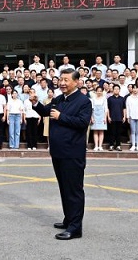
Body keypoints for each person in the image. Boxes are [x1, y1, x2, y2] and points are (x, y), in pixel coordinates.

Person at [30, 69, 92, 240]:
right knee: (64, 188)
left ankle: (75, 228)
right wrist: (36, 104)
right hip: (58, 152)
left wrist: (60, 116)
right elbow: (46, 112)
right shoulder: (58, 98)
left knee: (74, 190)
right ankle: (68, 219)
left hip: (72, 153)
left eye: (66, 80)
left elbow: (82, 123)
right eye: (60, 80)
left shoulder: (84, 101)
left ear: (76, 82)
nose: (62, 83)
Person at [126, 84, 138, 151]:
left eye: (136, 88)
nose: (135, 90)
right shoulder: (129, 98)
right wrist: (128, 117)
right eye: (133, 88)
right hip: (132, 116)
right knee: (132, 131)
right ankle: (133, 145)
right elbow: (127, 108)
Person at [106, 85, 126, 151]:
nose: (116, 90)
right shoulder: (110, 99)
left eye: (117, 89)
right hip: (112, 118)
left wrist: (124, 116)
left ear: (119, 90)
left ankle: (118, 145)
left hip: (120, 118)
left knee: (118, 132)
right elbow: (108, 109)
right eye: (115, 89)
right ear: (113, 90)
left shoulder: (122, 99)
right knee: (112, 132)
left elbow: (124, 108)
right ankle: (111, 145)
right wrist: (108, 117)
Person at [90, 87, 108, 151]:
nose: (99, 92)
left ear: (102, 92)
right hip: (95, 115)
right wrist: (91, 117)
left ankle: (100, 146)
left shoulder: (104, 99)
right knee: (95, 131)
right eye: (98, 91)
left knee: (101, 131)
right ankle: (96, 146)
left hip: (102, 116)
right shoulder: (93, 99)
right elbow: (91, 109)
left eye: (100, 91)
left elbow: (106, 109)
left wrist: (105, 118)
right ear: (96, 91)